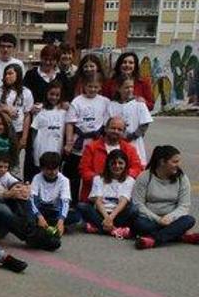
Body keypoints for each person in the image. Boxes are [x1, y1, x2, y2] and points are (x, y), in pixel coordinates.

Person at [131, 145, 197, 249]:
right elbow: (137, 204)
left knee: (189, 220)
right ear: (162, 162)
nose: (178, 165)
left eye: (179, 161)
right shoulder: (144, 177)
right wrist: (158, 219)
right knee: (140, 224)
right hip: (150, 219)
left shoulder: (182, 179)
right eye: (175, 162)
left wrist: (170, 217)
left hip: (172, 219)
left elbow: (184, 206)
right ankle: (178, 235)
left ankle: (152, 240)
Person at [64, 72, 109, 202]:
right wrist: (69, 142)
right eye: (90, 86)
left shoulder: (104, 101)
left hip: (97, 142)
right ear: (84, 86)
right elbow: (70, 123)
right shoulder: (77, 101)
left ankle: (93, 201)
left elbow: (107, 124)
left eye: (95, 87)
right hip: (79, 142)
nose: (92, 89)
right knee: (74, 176)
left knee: (95, 174)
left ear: (100, 87)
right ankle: (72, 201)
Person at [78, 116, 143, 202]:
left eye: (119, 130)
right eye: (113, 128)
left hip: (121, 198)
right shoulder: (91, 147)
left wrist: (120, 177)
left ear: (124, 132)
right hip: (94, 197)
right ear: (105, 129)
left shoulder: (130, 149)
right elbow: (84, 171)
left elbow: (137, 169)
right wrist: (102, 180)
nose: (116, 131)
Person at [77, 149, 136, 238]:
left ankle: (99, 228)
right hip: (101, 213)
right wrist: (107, 218)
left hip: (118, 214)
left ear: (125, 165)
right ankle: (115, 230)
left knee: (134, 209)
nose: (117, 166)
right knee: (82, 206)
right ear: (108, 164)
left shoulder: (130, 180)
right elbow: (98, 201)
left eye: (120, 163)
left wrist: (111, 218)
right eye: (113, 163)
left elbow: (123, 201)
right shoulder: (98, 178)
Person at [30, 152, 78, 237]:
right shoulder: (37, 178)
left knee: (76, 216)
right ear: (42, 168)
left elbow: (65, 202)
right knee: (27, 213)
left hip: (55, 211)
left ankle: (49, 225)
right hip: (40, 209)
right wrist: (39, 216)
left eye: (55, 169)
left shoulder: (64, 180)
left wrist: (61, 221)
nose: (52, 172)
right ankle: (44, 224)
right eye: (48, 169)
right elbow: (32, 200)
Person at [28, 81, 67, 182]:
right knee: (40, 175)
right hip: (41, 149)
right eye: (51, 94)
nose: (54, 97)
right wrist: (33, 148)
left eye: (57, 95)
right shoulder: (39, 110)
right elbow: (34, 131)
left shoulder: (64, 111)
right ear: (46, 93)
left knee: (55, 175)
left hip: (56, 149)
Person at [109, 77, 153, 165]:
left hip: (135, 142)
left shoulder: (139, 104)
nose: (130, 90)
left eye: (131, 87)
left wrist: (133, 136)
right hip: (116, 142)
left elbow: (144, 124)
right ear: (118, 88)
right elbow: (108, 124)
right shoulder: (112, 105)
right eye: (126, 87)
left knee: (135, 165)